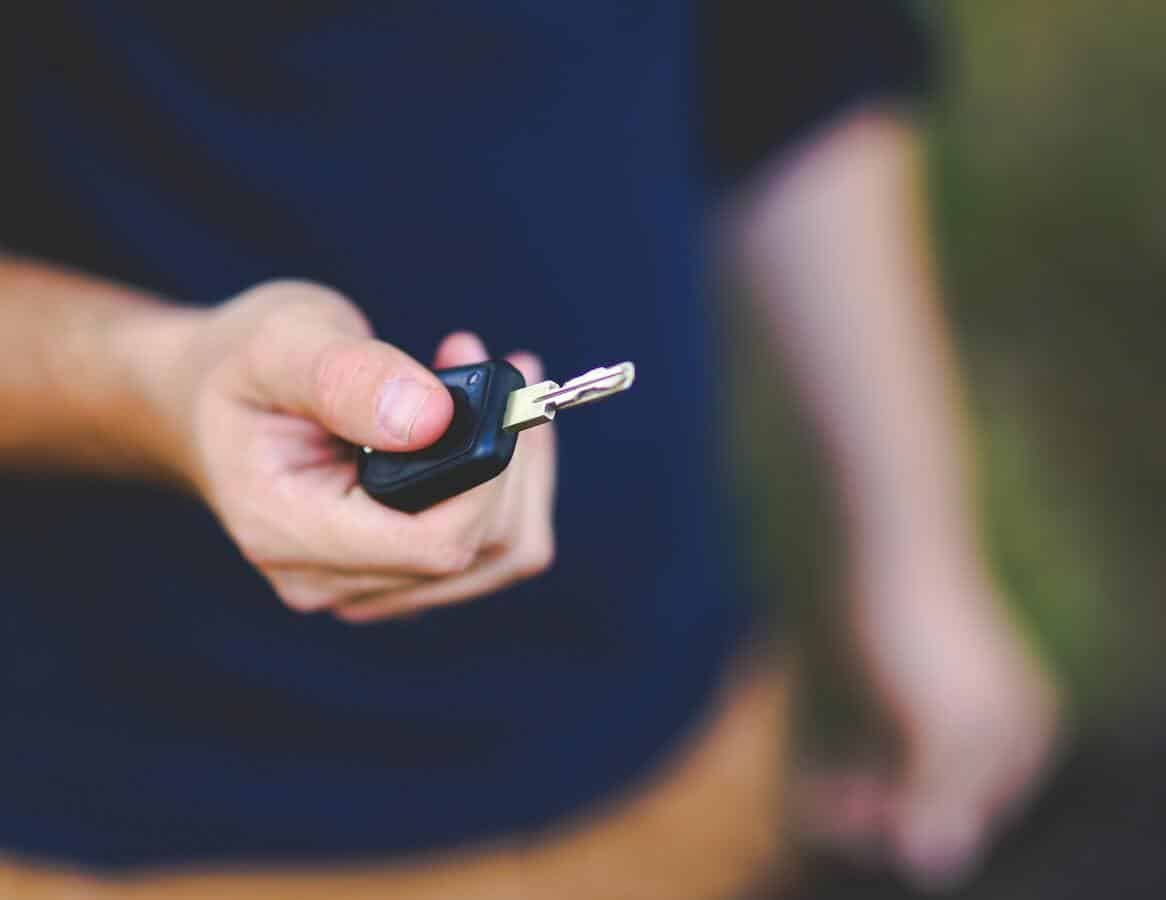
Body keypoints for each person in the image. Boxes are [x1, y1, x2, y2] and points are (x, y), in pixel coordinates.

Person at [0, 3, 1057, 897]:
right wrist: (156, 382)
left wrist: (919, 552)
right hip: (160, 827)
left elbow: (791, 42)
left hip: (685, 753)